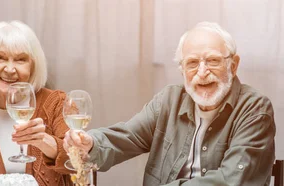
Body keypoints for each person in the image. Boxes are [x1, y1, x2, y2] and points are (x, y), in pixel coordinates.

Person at [64, 22, 276, 185]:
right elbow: (128, 136)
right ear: (182, 70)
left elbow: (231, 180)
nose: (202, 73)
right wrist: (91, 142)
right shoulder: (169, 100)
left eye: (213, 60)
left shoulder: (255, 110)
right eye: (192, 63)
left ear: (233, 65)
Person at [0, 20, 72, 186]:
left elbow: (81, 162)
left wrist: (46, 142)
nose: (10, 69)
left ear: (33, 67)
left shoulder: (57, 104)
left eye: (20, 60)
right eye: (0, 58)